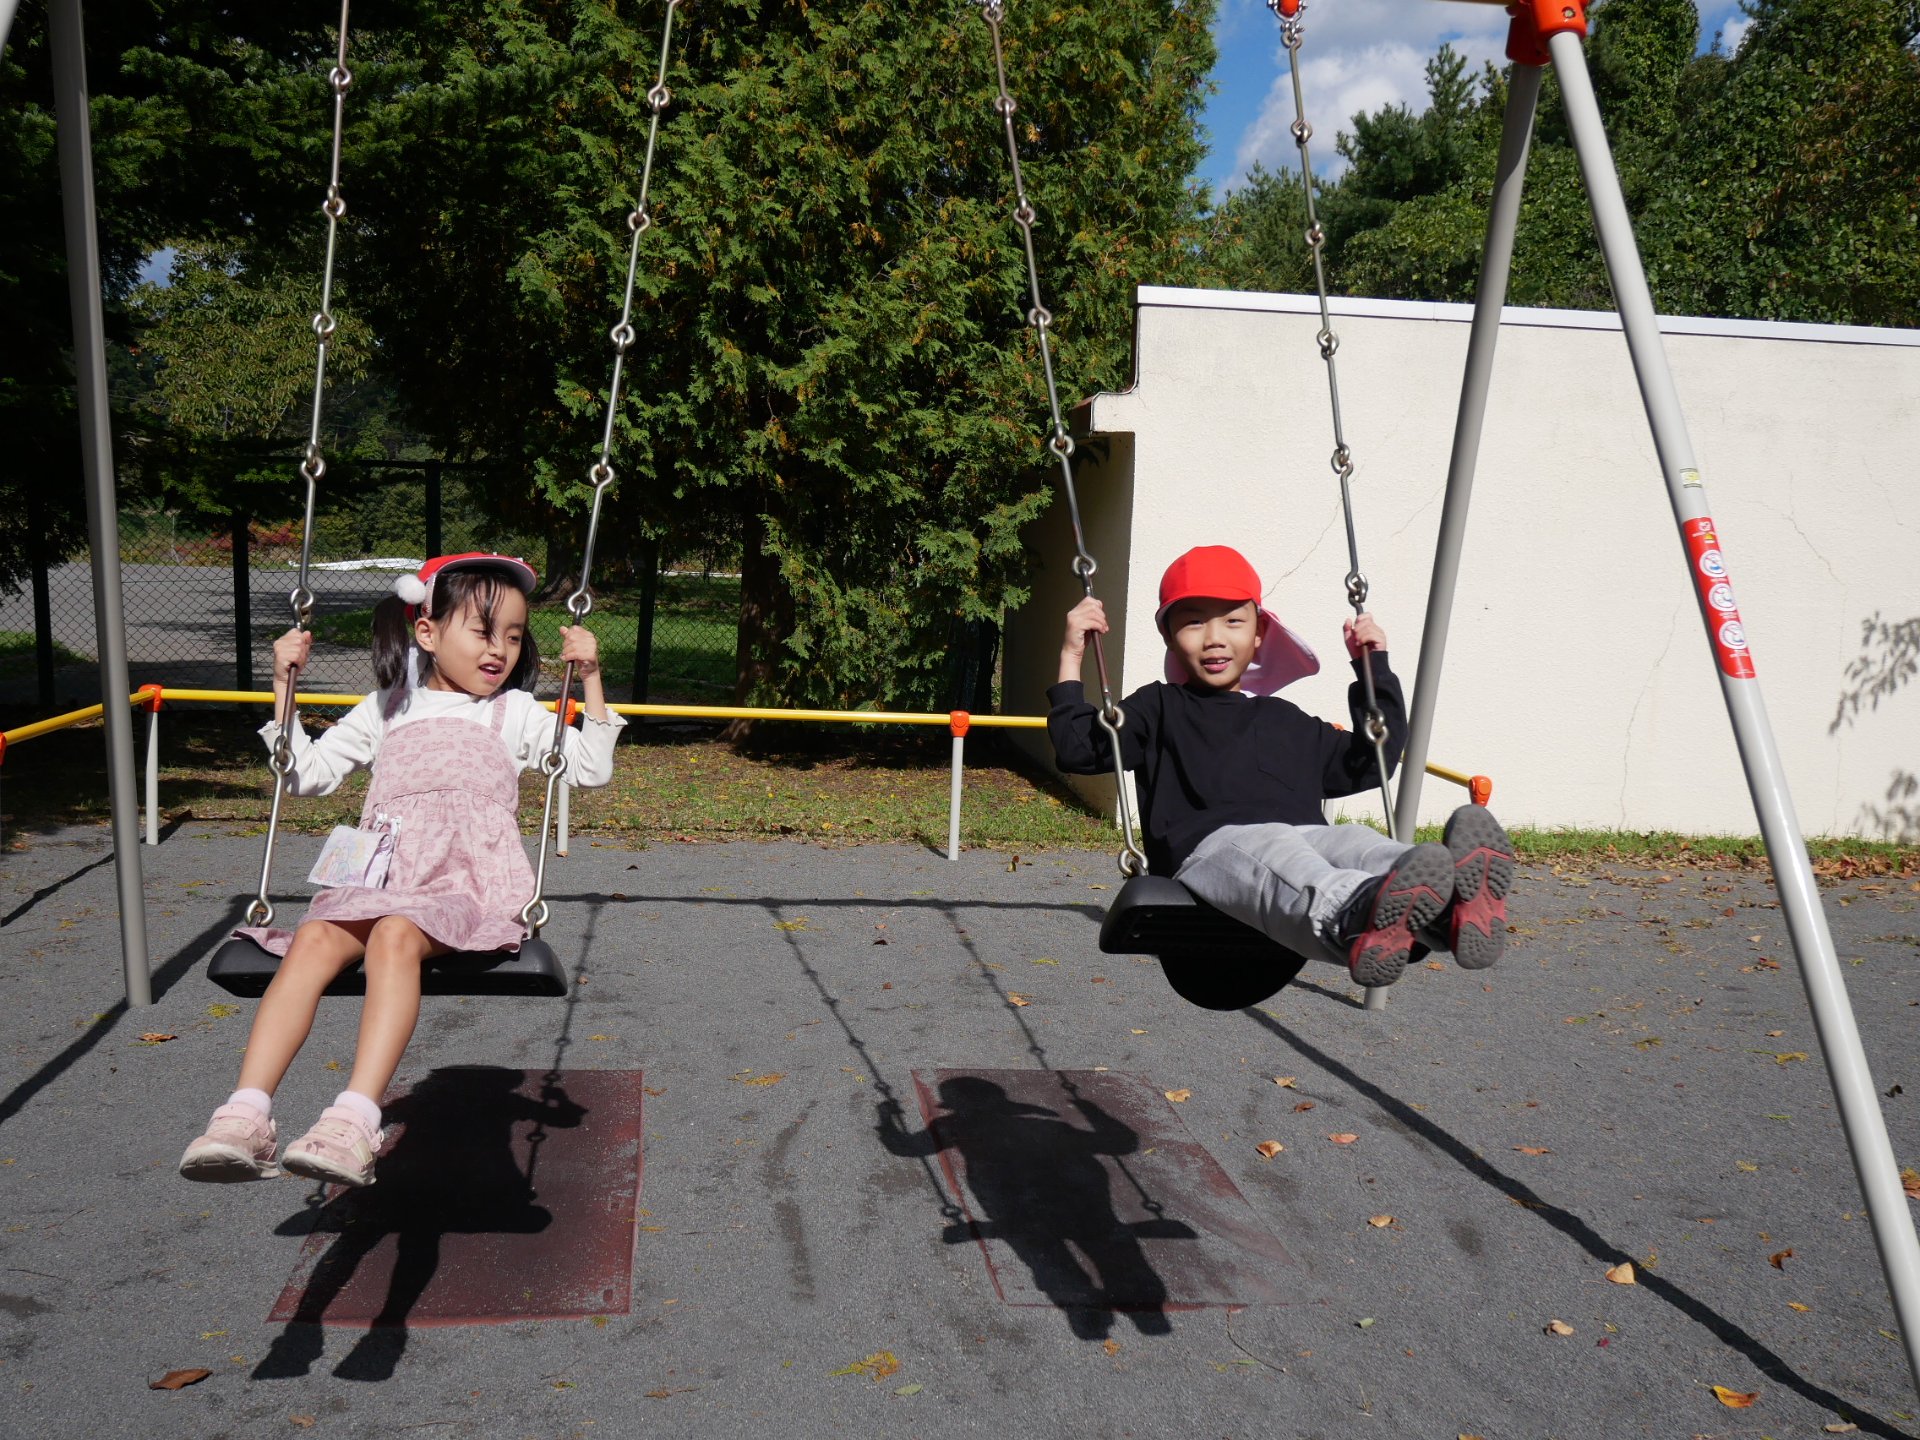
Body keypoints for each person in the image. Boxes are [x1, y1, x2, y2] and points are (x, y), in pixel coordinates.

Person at [179, 553, 625, 1188]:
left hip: (464, 883)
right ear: (428, 632)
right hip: (378, 875)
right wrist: (283, 687)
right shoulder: (386, 707)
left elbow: (589, 768)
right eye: (482, 630)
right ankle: (243, 1116)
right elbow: (304, 775)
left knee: (394, 934)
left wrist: (592, 677)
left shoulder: (517, 713)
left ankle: (355, 1120)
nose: (500, 650)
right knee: (311, 937)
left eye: (515, 636)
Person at [1048, 544, 1514, 989]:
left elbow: (1371, 762)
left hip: (1296, 843)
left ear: (1258, 634)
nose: (1215, 638)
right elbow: (1079, 749)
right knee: (1269, 845)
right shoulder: (1159, 707)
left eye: (1233, 621)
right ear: (1170, 636)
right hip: (1210, 857)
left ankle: (1447, 907)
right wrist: (1071, 655)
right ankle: (1355, 915)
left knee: (1348, 838)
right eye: (1193, 623)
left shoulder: (1287, 721)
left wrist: (1374, 670)